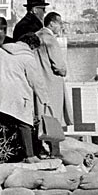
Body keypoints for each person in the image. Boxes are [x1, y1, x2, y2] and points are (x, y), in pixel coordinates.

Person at [0, 33, 50, 164]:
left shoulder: (1, 51)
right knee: (24, 123)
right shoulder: (28, 58)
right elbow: (35, 81)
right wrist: (44, 99)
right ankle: (30, 156)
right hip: (16, 94)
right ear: (32, 46)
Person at [36, 12, 72, 158]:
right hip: (52, 81)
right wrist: (64, 71)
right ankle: (55, 151)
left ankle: (39, 149)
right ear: (51, 23)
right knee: (54, 116)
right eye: (60, 23)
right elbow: (59, 65)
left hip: (38, 81)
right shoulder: (50, 39)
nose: (61, 27)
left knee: (41, 115)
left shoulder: (36, 36)